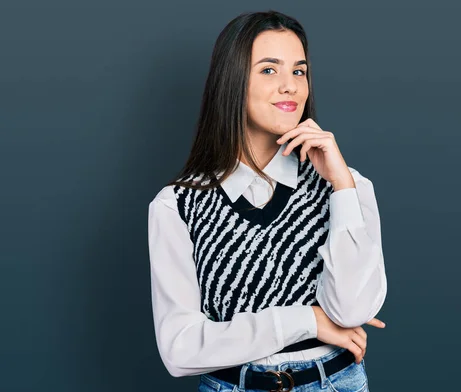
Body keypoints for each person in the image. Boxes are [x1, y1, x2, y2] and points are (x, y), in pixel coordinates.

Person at [147, 10, 387, 392]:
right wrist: (307, 320)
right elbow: (180, 349)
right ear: (232, 82)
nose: (290, 86)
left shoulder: (346, 185)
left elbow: (352, 311)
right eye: (269, 70)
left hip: (336, 383)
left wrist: (341, 184)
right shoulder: (178, 204)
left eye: (299, 71)